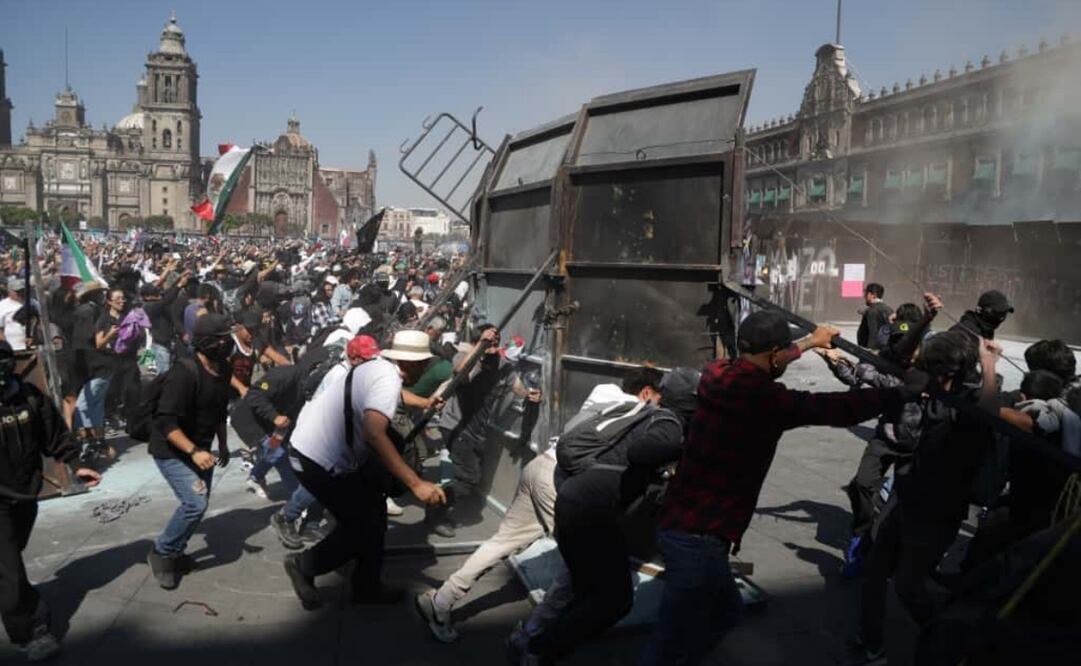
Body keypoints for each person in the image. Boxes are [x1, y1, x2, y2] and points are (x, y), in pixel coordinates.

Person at [642, 312, 908, 666]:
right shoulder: (766, 400)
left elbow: (766, 361)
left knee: (723, 613)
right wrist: (902, 394)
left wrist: (811, 343)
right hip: (699, 535)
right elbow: (838, 408)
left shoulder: (717, 373)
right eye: (783, 351)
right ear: (773, 356)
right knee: (672, 638)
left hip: (684, 523)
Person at [415, 367, 665, 644]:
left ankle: (441, 600)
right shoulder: (639, 414)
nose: (660, 406)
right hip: (561, 482)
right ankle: (533, 635)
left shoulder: (603, 393)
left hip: (541, 465)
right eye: (659, 398)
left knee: (503, 541)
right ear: (645, 393)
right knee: (578, 564)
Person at [519, 368, 699, 663]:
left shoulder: (653, 415)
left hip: (582, 506)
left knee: (590, 594)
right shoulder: (669, 423)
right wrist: (683, 448)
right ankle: (536, 650)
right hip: (588, 513)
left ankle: (535, 645)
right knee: (615, 600)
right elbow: (641, 452)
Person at [850, 331, 1002, 665]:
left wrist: (989, 365)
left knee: (908, 586)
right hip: (906, 495)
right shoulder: (927, 392)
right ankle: (871, 642)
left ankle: (946, 642)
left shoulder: (966, 404)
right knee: (875, 573)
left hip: (938, 510)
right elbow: (897, 361)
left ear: (949, 372)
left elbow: (988, 415)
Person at [282, 330, 447, 609]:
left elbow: (390, 397)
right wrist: (416, 483)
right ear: (414, 364)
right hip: (315, 459)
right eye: (425, 364)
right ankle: (303, 565)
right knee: (361, 525)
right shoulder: (387, 378)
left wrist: (424, 402)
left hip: (323, 452)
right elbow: (374, 433)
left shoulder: (379, 368)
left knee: (375, 513)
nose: (426, 369)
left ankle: (366, 587)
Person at [820, 293, 943, 577]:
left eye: (910, 341)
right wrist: (833, 360)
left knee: (904, 506)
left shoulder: (933, 365)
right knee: (861, 484)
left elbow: (880, 380)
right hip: (885, 436)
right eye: (900, 341)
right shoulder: (887, 357)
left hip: (916, 445)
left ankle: (888, 550)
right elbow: (859, 375)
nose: (905, 347)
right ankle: (861, 534)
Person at [0, 341, 101, 662]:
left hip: (25, 493)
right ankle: (29, 633)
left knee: (12, 554)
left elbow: (54, 434)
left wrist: (75, 465)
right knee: (10, 571)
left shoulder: (29, 396)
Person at [146, 314, 234, 590]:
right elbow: (166, 422)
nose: (226, 343)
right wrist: (194, 451)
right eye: (221, 339)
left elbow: (220, 411)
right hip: (172, 449)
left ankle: (175, 552)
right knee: (195, 502)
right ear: (207, 342)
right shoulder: (183, 373)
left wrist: (223, 445)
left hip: (202, 447)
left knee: (200, 503)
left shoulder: (223, 369)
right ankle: (162, 553)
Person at [857, 283, 892, 350]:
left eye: (866, 294)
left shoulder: (871, 311)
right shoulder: (889, 310)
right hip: (886, 352)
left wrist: (871, 352)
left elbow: (873, 334)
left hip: (872, 354)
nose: (864, 296)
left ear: (873, 295)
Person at [0, 276, 31, 351]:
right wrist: (5, 347)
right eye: (17, 291)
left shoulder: (32, 303)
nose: (20, 293)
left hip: (30, 347)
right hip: (12, 347)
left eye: (22, 290)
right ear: (10, 291)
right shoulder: (2, 305)